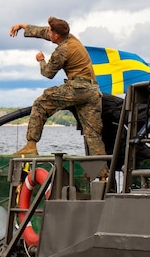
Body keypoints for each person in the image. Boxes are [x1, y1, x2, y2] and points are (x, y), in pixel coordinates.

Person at [9, 17, 104, 158]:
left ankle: (31, 146)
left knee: (41, 103)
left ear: (56, 36)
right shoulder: (71, 38)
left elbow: (48, 73)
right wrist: (22, 26)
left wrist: (41, 60)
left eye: (50, 31)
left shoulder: (62, 50)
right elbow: (44, 32)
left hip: (78, 88)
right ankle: (102, 174)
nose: (48, 32)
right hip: (93, 91)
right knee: (93, 134)